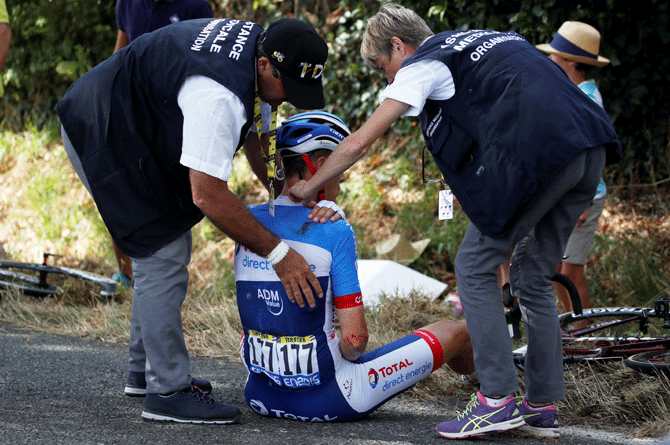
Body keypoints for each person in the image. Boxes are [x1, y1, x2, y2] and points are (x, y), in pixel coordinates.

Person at [288, 3, 621, 439]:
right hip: (589, 147)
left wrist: (307, 189)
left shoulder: (424, 63)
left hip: (542, 156)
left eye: (383, 67)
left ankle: (497, 401)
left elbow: (358, 144)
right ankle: (541, 403)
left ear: (398, 45)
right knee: (533, 274)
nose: (387, 79)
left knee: (473, 266)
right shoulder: (485, 38)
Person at [57, 17, 331, 424]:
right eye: (287, 86)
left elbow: (257, 135)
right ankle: (166, 390)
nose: (290, 97)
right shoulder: (218, 95)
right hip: (104, 128)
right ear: (263, 66)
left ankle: (146, 370)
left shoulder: (263, 49)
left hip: (132, 119)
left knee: (168, 246)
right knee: (162, 252)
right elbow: (208, 195)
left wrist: (287, 198)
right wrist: (279, 253)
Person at [235, 111, 475, 421]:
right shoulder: (333, 229)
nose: (345, 176)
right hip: (333, 398)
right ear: (320, 166)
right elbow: (354, 343)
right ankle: (487, 386)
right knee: (458, 330)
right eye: (342, 167)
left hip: (259, 394)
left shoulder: (246, 220)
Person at [110, 0, 214, 288]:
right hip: (131, 114)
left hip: (171, 120)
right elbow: (121, 49)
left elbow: (205, 63)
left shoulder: (195, 6)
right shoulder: (127, 3)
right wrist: (108, 93)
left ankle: (165, 273)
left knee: (165, 200)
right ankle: (126, 275)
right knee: (120, 194)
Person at [537, 21, 611, 313]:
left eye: (554, 55)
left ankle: (584, 332)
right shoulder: (570, 91)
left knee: (571, 271)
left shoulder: (588, 100)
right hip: (567, 192)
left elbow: (596, 152)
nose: (548, 59)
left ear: (569, 61)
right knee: (555, 267)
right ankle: (570, 325)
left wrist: (584, 202)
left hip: (584, 194)